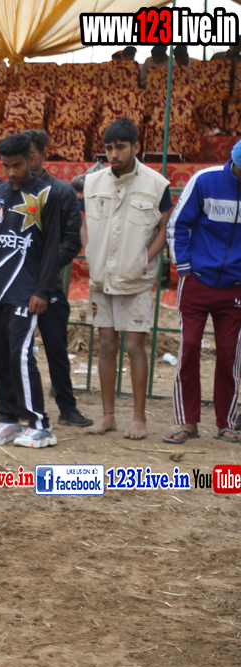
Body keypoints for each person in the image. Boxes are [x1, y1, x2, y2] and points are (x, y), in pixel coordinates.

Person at [0, 133, 61, 448]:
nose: (12, 172)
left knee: (20, 355)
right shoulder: (1, 192)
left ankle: (40, 424)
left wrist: (43, 290)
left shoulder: (47, 194)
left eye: (17, 165)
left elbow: (53, 248)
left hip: (25, 290)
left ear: (31, 159)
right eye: (6, 166)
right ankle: (8, 420)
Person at [82, 119, 172, 441]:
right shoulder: (92, 182)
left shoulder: (157, 184)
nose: (113, 154)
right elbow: (84, 223)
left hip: (135, 279)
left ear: (136, 147)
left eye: (120, 147)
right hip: (101, 277)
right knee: (106, 344)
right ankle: (108, 416)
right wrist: (90, 253)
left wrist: (142, 260)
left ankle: (139, 418)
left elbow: (163, 230)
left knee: (134, 346)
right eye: (109, 148)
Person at [163, 139, 241, 443]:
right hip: (196, 280)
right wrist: (183, 266)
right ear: (235, 163)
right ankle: (187, 422)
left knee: (230, 355)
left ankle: (226, 423)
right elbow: (177, 224)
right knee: (190, 347)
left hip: (235, 287)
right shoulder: (204, 181)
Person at [24, 129, 93, 428]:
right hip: (16, 284)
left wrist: (45, 266)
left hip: (48, 284)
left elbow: (71, 240)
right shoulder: (8, 191)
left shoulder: (61, 192)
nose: (26, 162)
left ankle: (67, 407)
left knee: (55, 347)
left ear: (42, 155)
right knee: (17, 349)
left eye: (30, 155)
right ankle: (22, 406)